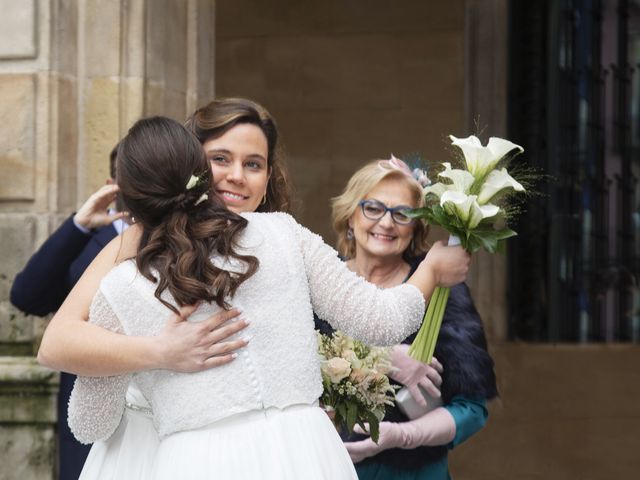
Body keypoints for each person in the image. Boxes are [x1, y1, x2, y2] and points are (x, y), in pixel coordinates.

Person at [37, 116, 471, 480]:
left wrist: (146, 361)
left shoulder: (120, 287)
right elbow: (382, 321)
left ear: (126, 195)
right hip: (305, 451)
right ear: (203, 174)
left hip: (197, 461)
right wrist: (431, 269)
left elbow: (90, 423)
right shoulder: (282, 232)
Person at [79, 97, 294, 478]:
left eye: (253, 164)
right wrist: (158, 351)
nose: (237, 176)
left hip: (262, 452)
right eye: (221, 159)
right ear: (189, 164)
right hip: (146, 449)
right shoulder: (138, 244)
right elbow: (58, 342)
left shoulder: (286, 245)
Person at [316, 158, 498, 480]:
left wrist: (403, 436)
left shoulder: (444, 294)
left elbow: (472, 408)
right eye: (373, 208)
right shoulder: (319, 283)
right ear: (349, 216)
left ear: (415, 228)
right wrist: (381, 359)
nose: (386, 223)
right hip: (324, 467)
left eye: (402, 214)